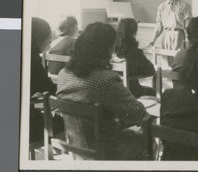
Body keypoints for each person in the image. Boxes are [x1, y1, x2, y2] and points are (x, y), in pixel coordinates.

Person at [57, 22, 148, 160]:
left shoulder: (63, 74)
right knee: (146, 137)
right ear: (107, 49)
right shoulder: (106, 79)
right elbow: (137, 114)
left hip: (74, 146)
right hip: (106, 151)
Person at [30, 17, 64, 142]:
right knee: (69, 122)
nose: (50, 43)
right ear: (39, 39)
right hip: (30, 127)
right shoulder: (33, 61)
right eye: (49, 39)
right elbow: (48, 89)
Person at [148, 0, 192, 66]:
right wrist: (153, 39)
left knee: (178, 62)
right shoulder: (162, 7)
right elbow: (159, 26)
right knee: (166, 63)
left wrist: (190, 40)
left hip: (178, 35)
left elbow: (188, 26)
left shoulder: (184, 5)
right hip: (166, 35)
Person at [114, 18, 156, 98]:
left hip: (115, 91)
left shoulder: (113, 50)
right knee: (153, 92)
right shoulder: (135, 52)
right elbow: (150, 70)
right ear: (134, 32)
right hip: (132, 91)